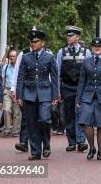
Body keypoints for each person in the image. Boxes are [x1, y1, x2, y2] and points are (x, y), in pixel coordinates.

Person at [16, 27, 59, 160]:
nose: (33, 44)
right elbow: (21, 77)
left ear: (42, 43)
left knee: (45, 119)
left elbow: (55, 77)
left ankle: (46, 144)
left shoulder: (50, 57)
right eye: (31, 41)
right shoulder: (25, 57)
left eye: (36, 41)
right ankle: (35, 151)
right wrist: (19, 95)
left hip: (45, 92)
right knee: (31, 123)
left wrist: (55, 95)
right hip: (29, 93)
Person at [56, 26, 91, 152]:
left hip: (81, 88)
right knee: (69, 115)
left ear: (77, 37)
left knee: (81, 114)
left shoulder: (86, 52)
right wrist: (58, 90)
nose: (68, 37)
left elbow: (89, 72)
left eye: (71, 35)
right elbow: (58, 72)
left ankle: (81, 141)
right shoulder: (61, 52)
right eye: (67, 35)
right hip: (67, 87)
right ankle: (71, 142)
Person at [1, 49, 22, 137]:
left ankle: (15, 130)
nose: (12, 58)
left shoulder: (20, 67)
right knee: (6, 109)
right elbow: (3, 79)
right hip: (7, 90)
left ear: (17, 57)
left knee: (16, 112)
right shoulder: (5, 67)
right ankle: (6, 129)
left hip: (17, 91)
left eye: (14, 56)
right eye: (10, 56)